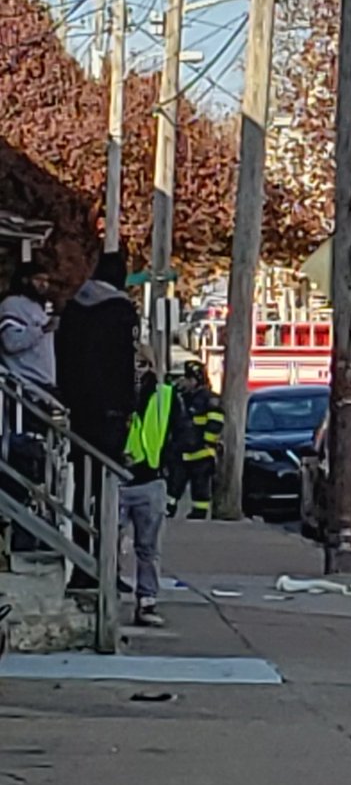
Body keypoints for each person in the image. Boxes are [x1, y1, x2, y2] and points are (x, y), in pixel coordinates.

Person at [55, 251, 138, 587]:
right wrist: (125, 405)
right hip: (110, 414)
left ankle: (82, 563)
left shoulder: (75, 308)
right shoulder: (120, 312)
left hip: (80, 411)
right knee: (107, 494)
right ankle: (106, 566)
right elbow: (124, 363)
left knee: (81, 491)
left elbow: (63, 355)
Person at [121, 345, 184, 627]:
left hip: (151, 481)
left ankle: (147, 602)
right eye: (133, 362)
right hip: (116, 477)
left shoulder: (166, 397)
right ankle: (107, 592)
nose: (137, 369)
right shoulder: (112, 389)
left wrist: (173, 488)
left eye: (143, 363)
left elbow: (180, 440)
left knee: (148, 548)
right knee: (107, 543)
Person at [167, 359, 224, 519]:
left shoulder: (209, 399)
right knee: (174, 484)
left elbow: (215, 421)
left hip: (201, 453)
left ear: (195, 380)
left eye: (187, 378)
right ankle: (168, 508)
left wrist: (208, 443)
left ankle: (199, 512)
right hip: (181, 451)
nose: (183, 381)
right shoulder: (182, 397)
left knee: (200, 485)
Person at [0, 260, 58, 397]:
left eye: (47, 280)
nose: (44, 284)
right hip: (23, 385)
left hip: (43, 384)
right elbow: (11, 342)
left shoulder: (39, 308)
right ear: (24, 280)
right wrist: (42, 329)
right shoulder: (11, 305)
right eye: (39, 279)